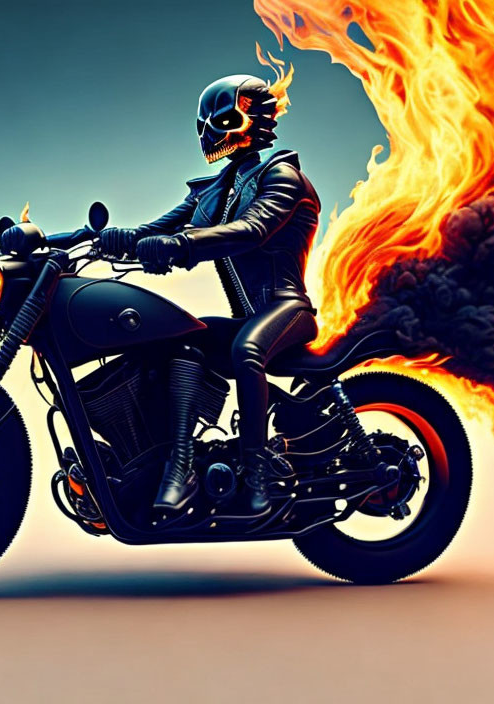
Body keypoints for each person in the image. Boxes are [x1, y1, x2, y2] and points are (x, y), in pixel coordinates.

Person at [98, 74, 320, 514]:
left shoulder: (283, 176)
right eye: (205, 124)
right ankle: (180, 468)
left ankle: (258, 472)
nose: (210, 134)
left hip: (286, 309)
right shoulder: (213, 191)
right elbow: (149, 230)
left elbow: (251, 229)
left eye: (222, 120)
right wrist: (80, 239)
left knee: (247, 350)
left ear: (253, 119)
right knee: (180, 339)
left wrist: (182, 245)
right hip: (248, 316)